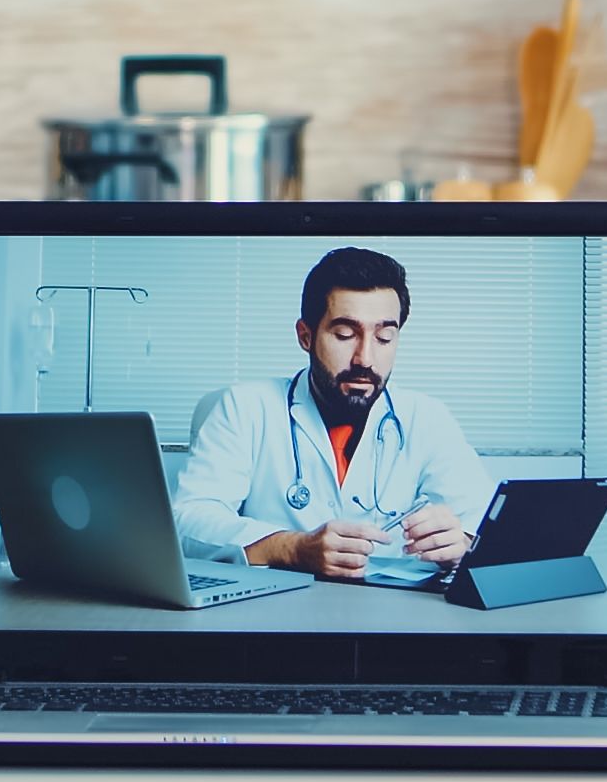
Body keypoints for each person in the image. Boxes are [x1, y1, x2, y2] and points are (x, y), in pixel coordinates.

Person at [171, 246, 499, 580]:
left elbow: (487, 522)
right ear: (305, 335)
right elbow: (188, 520)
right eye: (344, 334)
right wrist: (292, 548)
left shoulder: (427, 417)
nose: (365, 359)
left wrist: (462, 542)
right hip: (278, 610)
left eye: (385, 337)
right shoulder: (245, 407)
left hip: (394, 614)